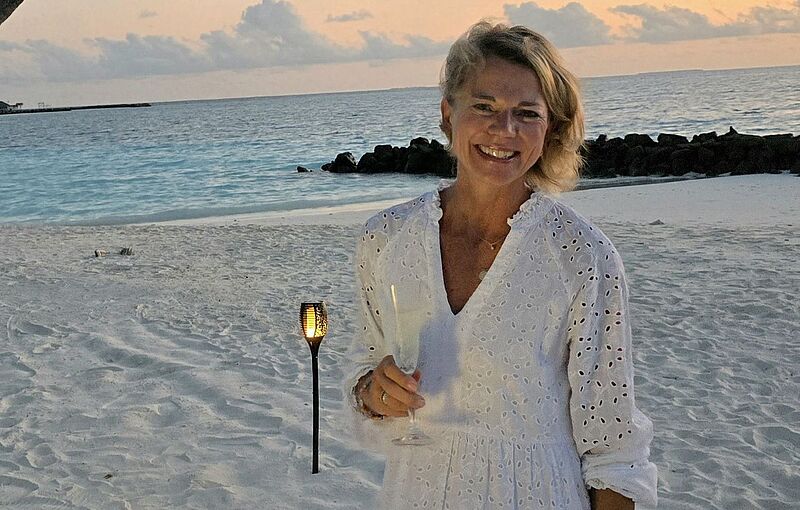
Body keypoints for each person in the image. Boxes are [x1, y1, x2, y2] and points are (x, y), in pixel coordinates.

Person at [344, 21, 657, 509]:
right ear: (449, 114)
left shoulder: (582, 256)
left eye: (526, 113)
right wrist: (373, 392)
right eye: (484, 107)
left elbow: (615, 448)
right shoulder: (385, 240)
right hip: (414, 493)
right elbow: (369, 368)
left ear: (549, 128)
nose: (503, 130)